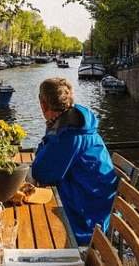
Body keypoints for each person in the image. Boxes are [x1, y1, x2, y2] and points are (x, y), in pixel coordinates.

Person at [31, 78, 117, 245]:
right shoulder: (74, 125)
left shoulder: (70, 134)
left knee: (34, 226)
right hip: (94, 203)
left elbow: (41, 172)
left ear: (43, 104)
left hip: (88, 219)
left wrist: (49, 132)